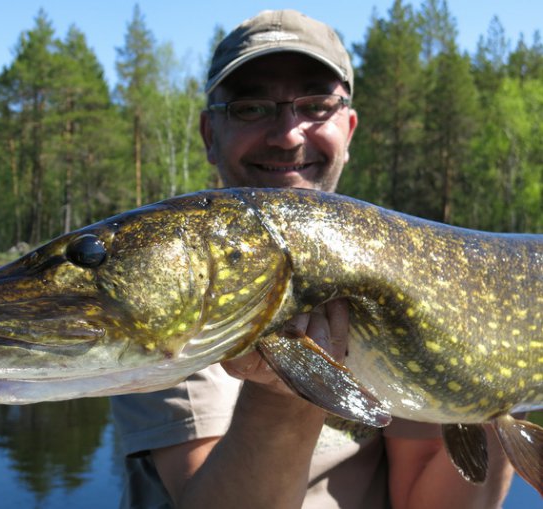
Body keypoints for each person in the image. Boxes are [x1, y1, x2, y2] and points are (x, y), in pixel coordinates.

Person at [111, 9, 515, 508]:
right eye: (250, 108)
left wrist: (502, 387)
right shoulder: (185, 277)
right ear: (209, 134)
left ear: (348, 127)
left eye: (317, 105)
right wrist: (288, 388)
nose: (287, 134)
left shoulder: (402, 267)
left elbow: (428, 500)